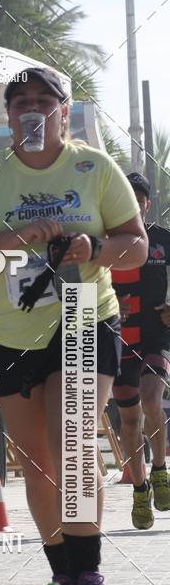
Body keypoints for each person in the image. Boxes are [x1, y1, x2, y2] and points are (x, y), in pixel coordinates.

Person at [0, 66, 148, 585]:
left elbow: (135, 245)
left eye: (43, 101)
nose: (32, 110)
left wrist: (95, 248)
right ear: (8, 116)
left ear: (64, 112)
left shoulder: (93, 166)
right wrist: (16, 238)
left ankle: (91, 578)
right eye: (20, 102)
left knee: (72, 446)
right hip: (9, 330)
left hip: (83, 317)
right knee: (37, 465)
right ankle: (63, 580)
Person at [111, 172, 170, 529]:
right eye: (127, 198)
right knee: (130, 420)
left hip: (155, 339)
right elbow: (80, 283)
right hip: (117, 342)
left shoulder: (161, 238)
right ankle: (139, 488)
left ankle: (160, 469)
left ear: (148, 203)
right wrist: (108, 304)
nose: (134, 205)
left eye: (140, 199)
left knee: (151, 400)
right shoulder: (105, 243)